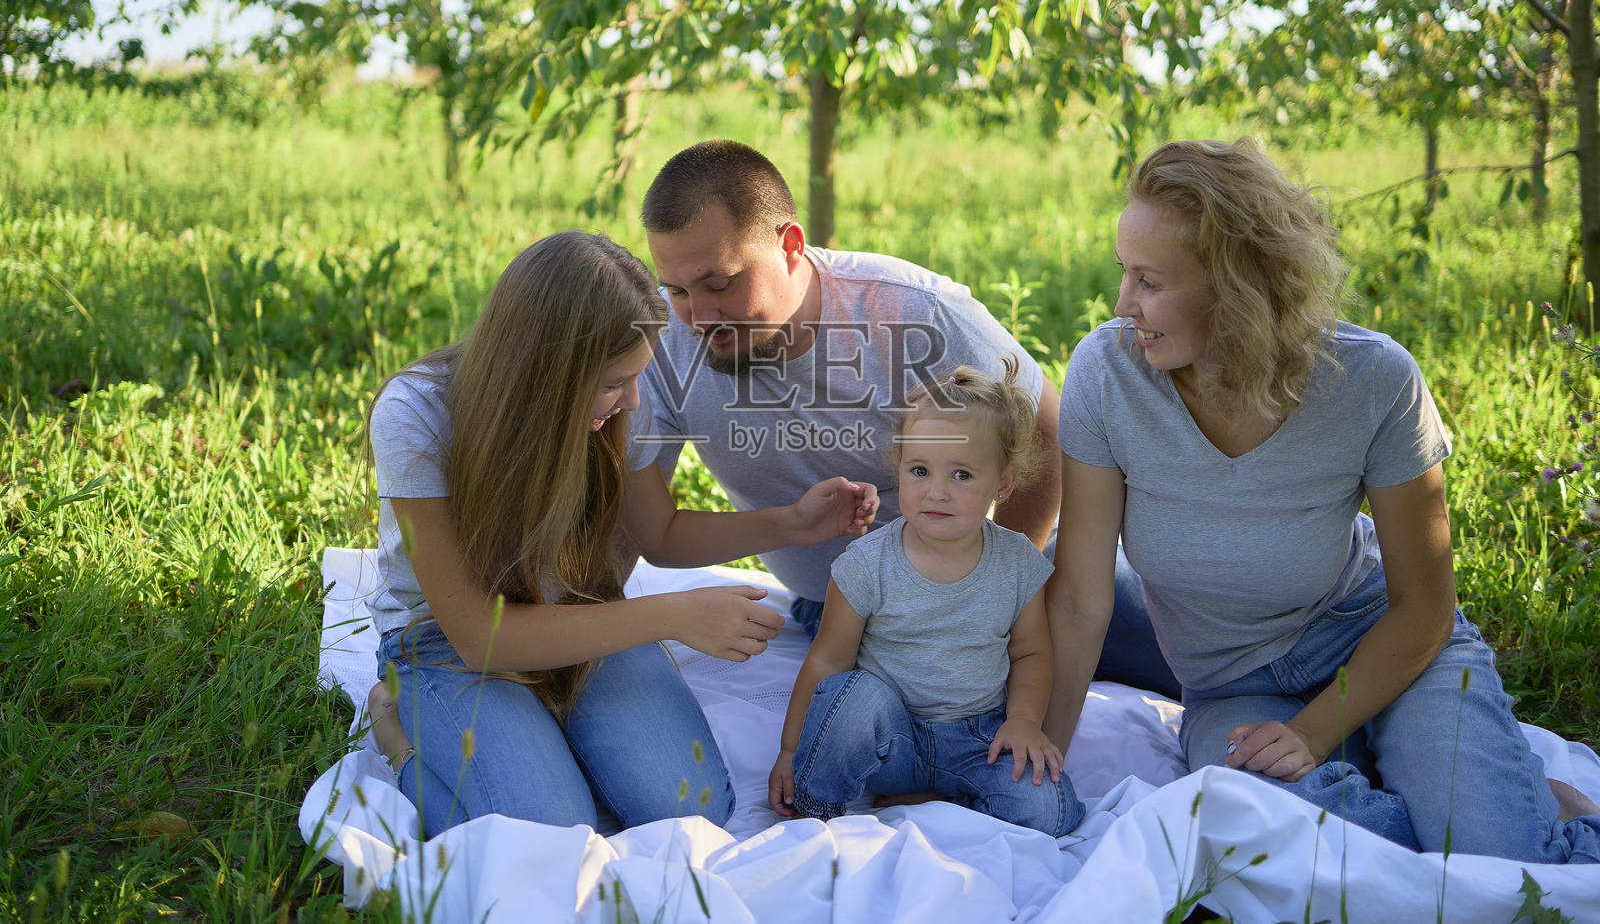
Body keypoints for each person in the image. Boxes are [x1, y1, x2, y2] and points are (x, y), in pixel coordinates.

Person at [1045, 137, 1600, 861]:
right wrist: (1044, 767)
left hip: (1383, 647)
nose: (1123, 305)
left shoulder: (1375, 380)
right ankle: (1457, 794)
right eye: (1125, 272)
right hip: (1234, 687)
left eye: (1147, 282)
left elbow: (1425, 606)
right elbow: (1081, 601)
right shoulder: (1107, 375)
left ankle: (1520, 808)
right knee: (1301, 853)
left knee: (1500, 859)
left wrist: (1311, 733)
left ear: (1236, 287)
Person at [362, 231, 878, 838]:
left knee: (689, 806)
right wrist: (674, 616)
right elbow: (477, 637)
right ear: (544, 372)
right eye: (613, 382)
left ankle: (546, 723)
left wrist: (791, 523)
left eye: (636, 377)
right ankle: (396, 735)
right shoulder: (418, 413)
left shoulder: (618, 404)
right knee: (544, 830)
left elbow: (660, 534)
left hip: (578, 615)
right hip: (447, 643)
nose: (633, 398)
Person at [639, 139, 1181, 698]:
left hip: (1002, 560)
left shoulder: (909, 310)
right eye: (677, 289)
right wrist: (790, 524)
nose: (699, 316)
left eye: (720, 284)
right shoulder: (658, 345)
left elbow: (1045, 426)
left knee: (1188, 657)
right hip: (849, 608)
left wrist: (992, 589)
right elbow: (656, 534)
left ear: (791, 246)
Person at [768, 362, 1082, 837]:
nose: (937, 492)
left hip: (977, 739)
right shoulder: (867, 563)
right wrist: (791, 751)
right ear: (899, 466)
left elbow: (1031, 653)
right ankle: (817, 807)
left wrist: (1022, 721)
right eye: (919, 471)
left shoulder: (1017, 562)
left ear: (1002, 483)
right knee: (853, 696)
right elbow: (827, 660)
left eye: (961, 474)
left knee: (1049, 812)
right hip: (889, 739)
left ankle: (942, 794)